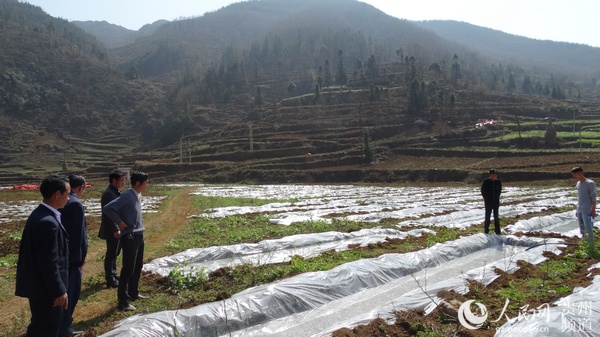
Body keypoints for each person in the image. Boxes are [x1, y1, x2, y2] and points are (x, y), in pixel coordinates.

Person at [15, 174, 71, 337]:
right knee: (45, 329)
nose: (69, 198)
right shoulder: (47, 222)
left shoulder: (42, 215)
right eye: (67, 194)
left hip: (43, 288)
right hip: (47, 291)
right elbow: (49, 262)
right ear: (57, 194)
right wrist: (59, 290)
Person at [103, 171, 149, 311]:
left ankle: (133, 293)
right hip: (130, 236)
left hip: (139, 234)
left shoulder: (137, 195)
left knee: (137, 266)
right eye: (145, 182)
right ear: (137, 183)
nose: (147, 185)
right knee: (128, 269)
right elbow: (108, 208)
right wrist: (120, 223)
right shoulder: (128, 195)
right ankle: (123, 301)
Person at [58, 175, 88, 337]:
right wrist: (79, 258)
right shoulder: (75, 204)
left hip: (65, 256)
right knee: (71, 292)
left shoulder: (65, 202)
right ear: (81, 187)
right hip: (73, 259)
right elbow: (78, 236)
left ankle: (61, 325)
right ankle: (65, 327)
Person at [99, 170, 127, 288]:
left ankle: (113, 275)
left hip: (116, 228)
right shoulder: (109, 194)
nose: (123, 183)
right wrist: (116, 229)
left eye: (124, 180)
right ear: (114, 180)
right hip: (112, 229)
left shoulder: (115, 192)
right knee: (111, 253)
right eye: (121, 180)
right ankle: (110, 278)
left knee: (115, 253)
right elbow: (109, 214)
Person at [571, 166, 597, 249]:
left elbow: (593, 198)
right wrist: (577, 209)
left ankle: (591, 247)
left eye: (576, 174)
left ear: (581, 173)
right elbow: (580, 198)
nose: (574, 176)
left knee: (588, 229)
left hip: (587, 210)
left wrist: (593, 211)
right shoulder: (578, 184)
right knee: (582, 229)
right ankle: (585, 245)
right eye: (573, 175)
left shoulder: (590, 183)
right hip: (580, 210)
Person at [481, 168, 502, 234]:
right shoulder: (486, 182)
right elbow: (483, 191)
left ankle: (497, 231)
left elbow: (499, 191)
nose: (493, 176)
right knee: (487, 216)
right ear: (490, 175)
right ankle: (486, 230)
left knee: (496, 217)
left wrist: (496, 198)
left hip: (495, 202)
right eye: (492, 175)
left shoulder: (498, 182)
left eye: (495, 175)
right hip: (488, 202)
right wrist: (486, 199)